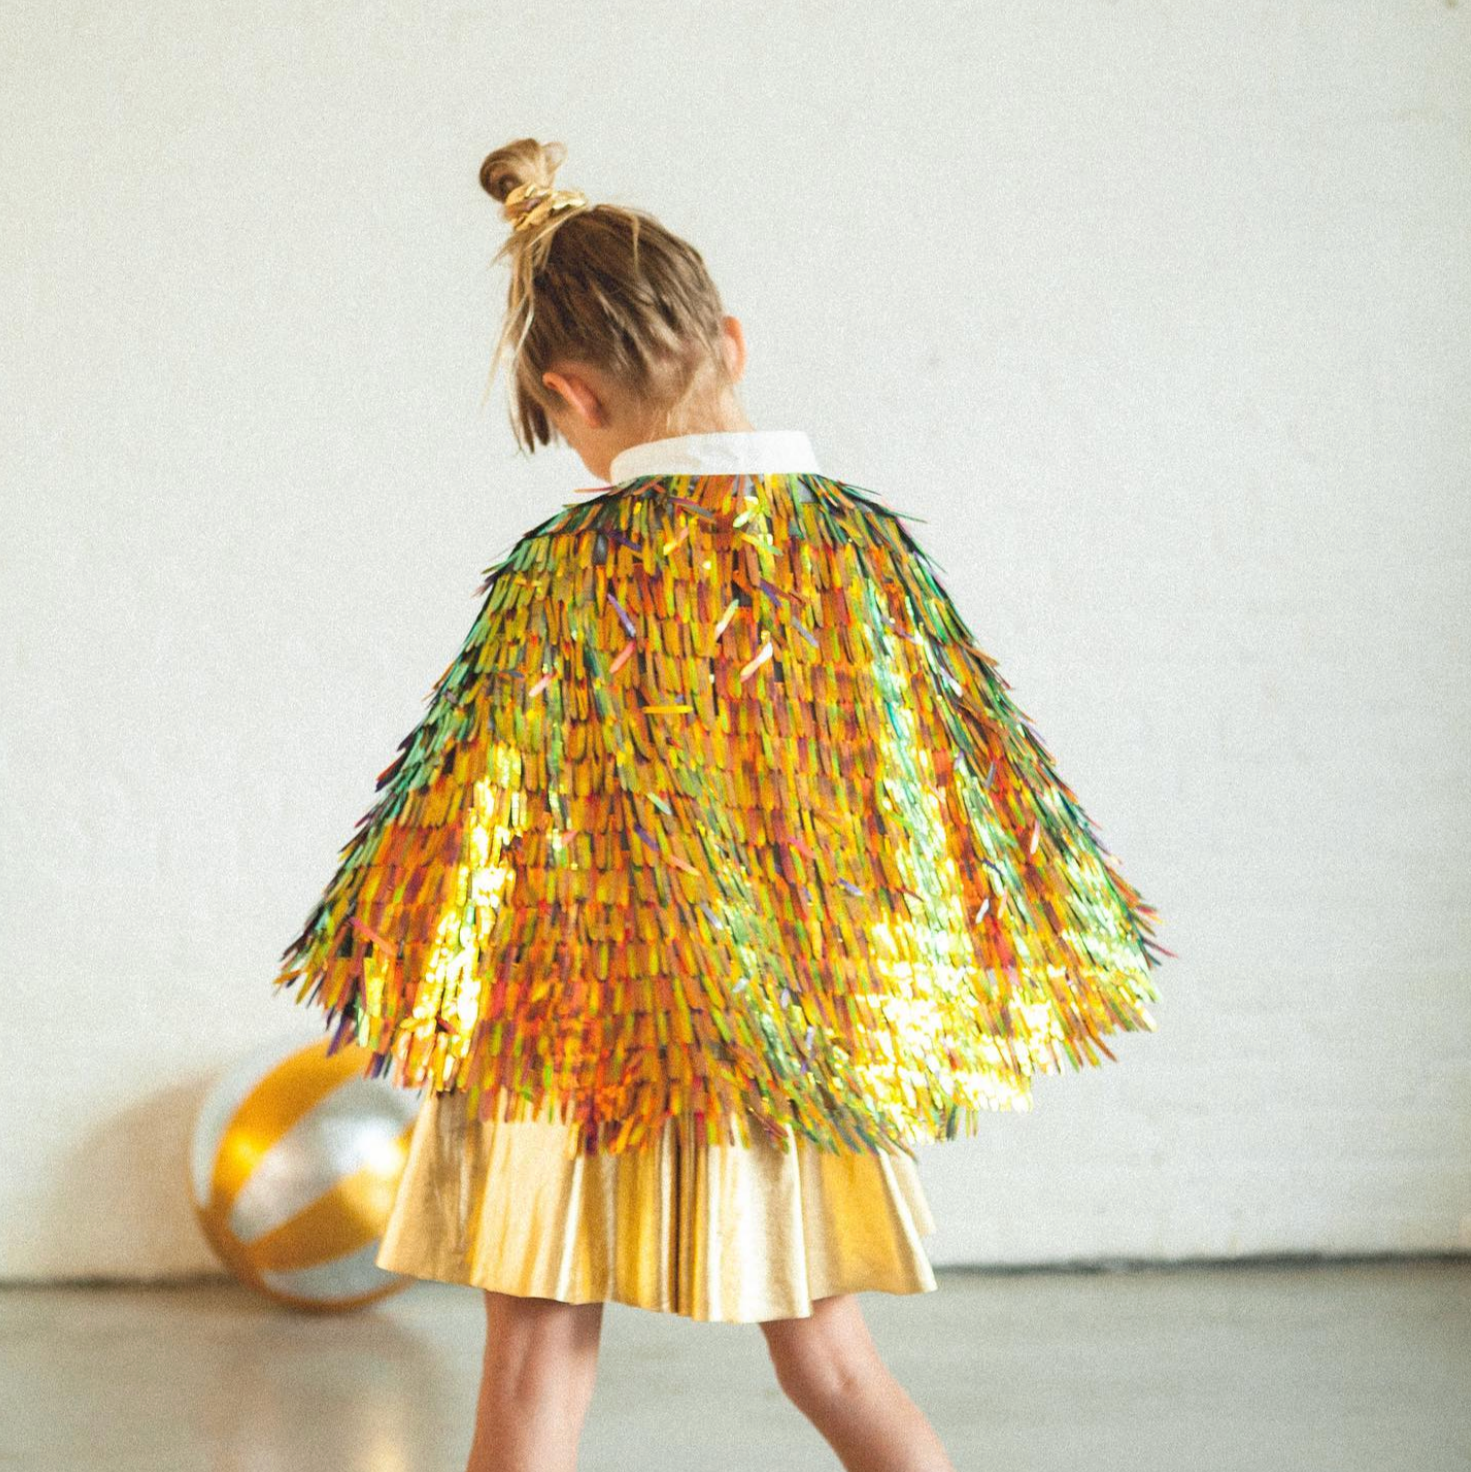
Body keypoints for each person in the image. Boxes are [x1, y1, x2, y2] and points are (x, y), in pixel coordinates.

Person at [272, 136, 1170, 1472]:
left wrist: (396, 967)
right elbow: (955, 789)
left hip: (569, 1032)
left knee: (530, 1368)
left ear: (567, 396)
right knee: (832, 1364)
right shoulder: (860, 552)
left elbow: (469, 807)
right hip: (783, 1031)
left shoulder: (560, 574)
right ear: (732, 341)